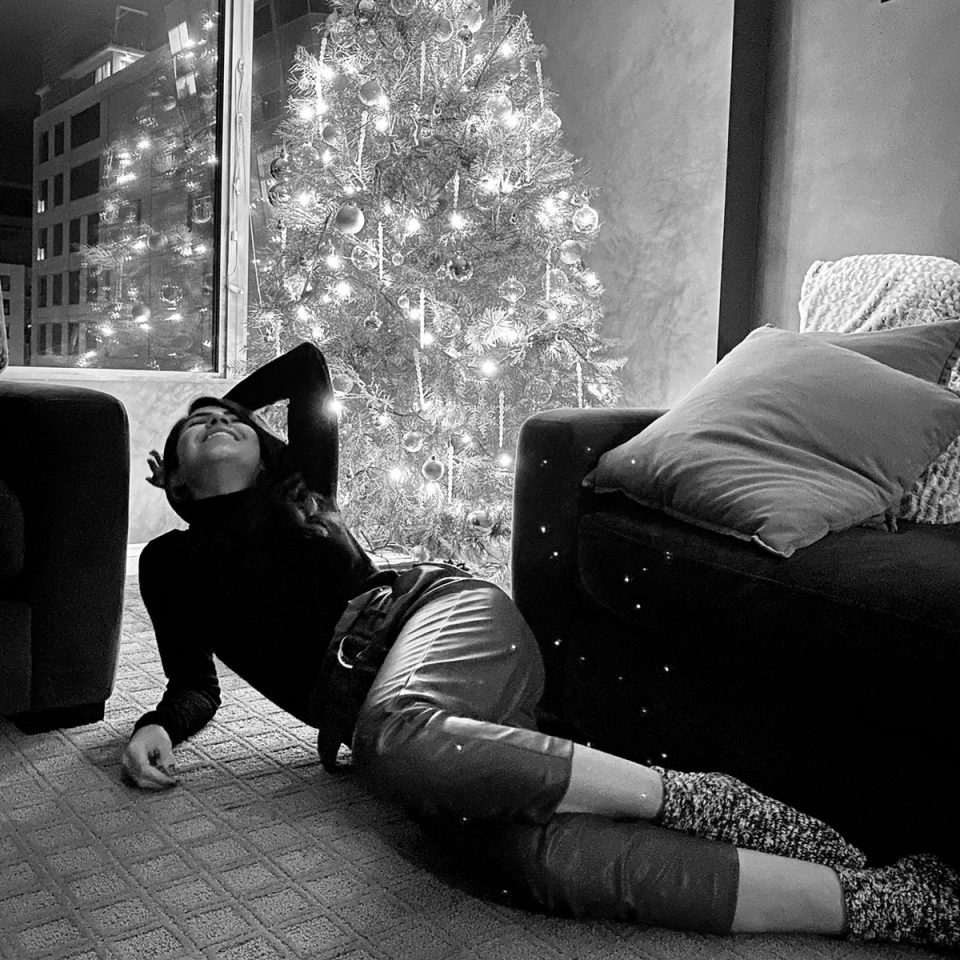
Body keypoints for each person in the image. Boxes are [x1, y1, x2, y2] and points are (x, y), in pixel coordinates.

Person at [122, 342, 960, 950]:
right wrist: (157, 726)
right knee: (535, 865)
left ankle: (706, 800)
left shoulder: (305, 490)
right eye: (198, 428)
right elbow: (194, 685)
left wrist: (225, 402)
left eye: (230, 418)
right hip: (394, 714)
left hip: (434, 615)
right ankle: (878, 901)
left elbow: (306, 367)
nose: (220, 422)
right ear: (176, 480)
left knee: (399, 739)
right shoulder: (170, 562)